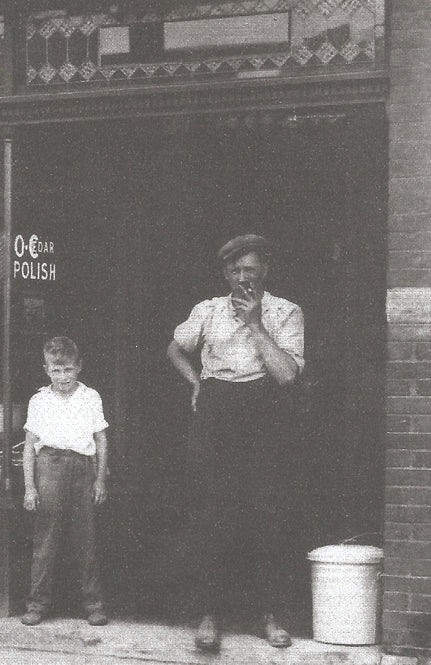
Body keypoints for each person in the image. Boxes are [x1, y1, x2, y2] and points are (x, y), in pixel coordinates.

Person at [166, 234, 304, 652]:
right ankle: (208, 615)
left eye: (251, 269)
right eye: (235, 270)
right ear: (225, 273)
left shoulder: (286, 312)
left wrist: (256, 324)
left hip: (263, 410)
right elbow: (175, 348)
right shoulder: (207, 310)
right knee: (210, 512)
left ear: (265, 270)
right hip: (216, 410)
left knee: (266, 511)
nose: (243, 277)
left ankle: (269, 614)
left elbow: (287, 375)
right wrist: (195, 384)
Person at [20, 336, 109, 627]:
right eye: (56, 371)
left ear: (79, 367)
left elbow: (101, 440)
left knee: (86, 539)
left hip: (82, 467)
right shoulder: (39, 400)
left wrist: (100, 481)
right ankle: (37, 604)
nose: (62, 377)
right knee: (46, 540)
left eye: (68, 370)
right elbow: (29, 446)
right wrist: (30, 487)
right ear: (46, 370)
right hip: (49, 466)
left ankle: (93, 604)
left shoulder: (90, 397)